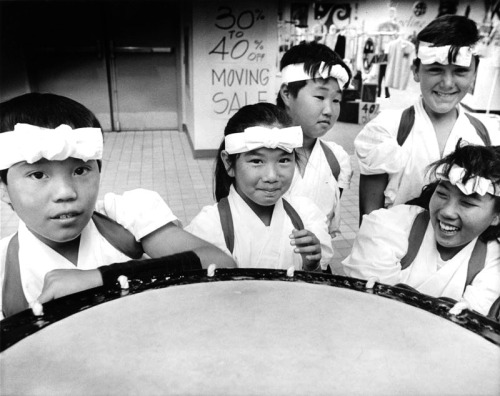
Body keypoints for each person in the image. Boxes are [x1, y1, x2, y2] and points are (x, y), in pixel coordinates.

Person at [0, 92, 235, 318]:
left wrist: (101, 277)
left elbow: (221, 263)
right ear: (3, 189)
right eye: (38, 175)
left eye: (80, 170)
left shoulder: (124, 217)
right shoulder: (3, 267)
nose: (66, 192)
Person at [355, 15, 497, 223]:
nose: (447, 83)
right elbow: (369, 219)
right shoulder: (386, 130)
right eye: (436, 70)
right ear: (415, 71)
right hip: (396, 252)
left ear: (474, 74)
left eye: (460, 71)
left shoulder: (488, 134)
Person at [342, 142, 500, 317]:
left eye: (467, 203)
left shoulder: (492, 259)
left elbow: (474, 329)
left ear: (496, 217)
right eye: (442, 194)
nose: (447, 212)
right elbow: (369, 308)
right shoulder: (389, 226)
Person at [185, 103, 333, 271]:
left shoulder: (306, 215)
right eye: (257, 161)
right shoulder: (209, 227)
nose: (271, 176)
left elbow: (317, 290)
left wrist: (312, 266)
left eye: (283, 160)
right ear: (229, 163)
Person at [276, 41, 353, 241]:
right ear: (287, 94)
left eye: (336, 100)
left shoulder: (336, 159)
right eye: (320, 96)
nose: (329, 110)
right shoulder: (255, 152)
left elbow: (324, 223)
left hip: (316, 266)